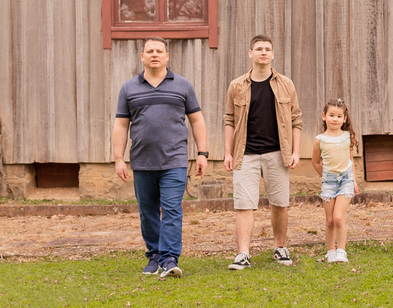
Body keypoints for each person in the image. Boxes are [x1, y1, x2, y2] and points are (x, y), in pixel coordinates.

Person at [113, 37, 208, 279]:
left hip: (174, 161)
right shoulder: (129, 88)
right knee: (147, 211)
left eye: (159, 51)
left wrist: (202, 153)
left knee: (172, 209)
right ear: (142, 57)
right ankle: (154, 255)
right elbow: (121, 125)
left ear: (167, 56)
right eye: (150, 51)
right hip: (142, 161)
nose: (154, 54)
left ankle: (169, 258)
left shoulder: (183, 86)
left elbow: (197, 120)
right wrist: (118, 158)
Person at [223, 34, 303, 269]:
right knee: (244, 204)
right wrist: (228, 153)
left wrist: (296, 152)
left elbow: (296, 120)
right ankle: (243, 254)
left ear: (273, 54)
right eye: (259, 49)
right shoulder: (237, 85)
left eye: (267, 49)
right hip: (245, 154)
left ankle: (280, 248)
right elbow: (229, 120)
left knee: (279, 202)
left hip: (277, 153)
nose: (263, 52)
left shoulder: (285, 84)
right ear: (250, 54)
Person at [311, 98, 359, 263]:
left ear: (344, 119)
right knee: (330, 220)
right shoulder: (320, 140)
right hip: (329, 182)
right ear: (324, 116)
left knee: (338, 217)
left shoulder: (347, 137)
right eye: (331, 115)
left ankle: (341, 251)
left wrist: (353, 181)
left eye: (339, 116)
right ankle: (330, 251)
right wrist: (325, 176)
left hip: (346, 180)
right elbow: (315, 162)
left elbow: (350, 160)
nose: (335, 119)